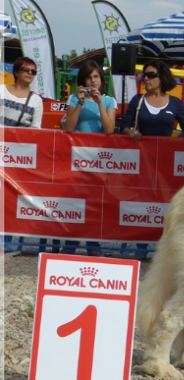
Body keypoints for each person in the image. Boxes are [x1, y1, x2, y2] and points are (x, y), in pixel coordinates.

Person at [120, 60, 184, 259]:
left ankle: (163, 249)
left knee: (165, 204)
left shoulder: (176, 103)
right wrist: (131, 131)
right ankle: (140, 247)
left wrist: (174, 145)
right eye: (144, 75)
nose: (146, 79)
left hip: (166, 164)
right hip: (141, 162)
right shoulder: (137, 100)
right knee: (141, 202)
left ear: (162, 78)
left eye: (151, 75)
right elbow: (123, 125)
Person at [0, 57, 58, 253]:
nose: (30, 73)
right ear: (16, 71)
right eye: (26, 69)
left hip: (19, 156)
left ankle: (6, 242)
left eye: (33, 71)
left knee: (10, 197)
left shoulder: (35, 100)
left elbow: (36, 130)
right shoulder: (1, 89)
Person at [61, 60, 118, 256]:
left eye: (95, 77)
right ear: (82, 80)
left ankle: (94, 248)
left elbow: (109, 129)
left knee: (94, 204)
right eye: (89, 77)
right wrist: (81, 101)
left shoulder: (109, 101)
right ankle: (69, 247)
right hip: (77, 158)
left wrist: (100, 102)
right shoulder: (73, 99)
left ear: (101, 79)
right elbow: (69, 127)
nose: (93, 81)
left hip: (99, 159)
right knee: (76, 203)